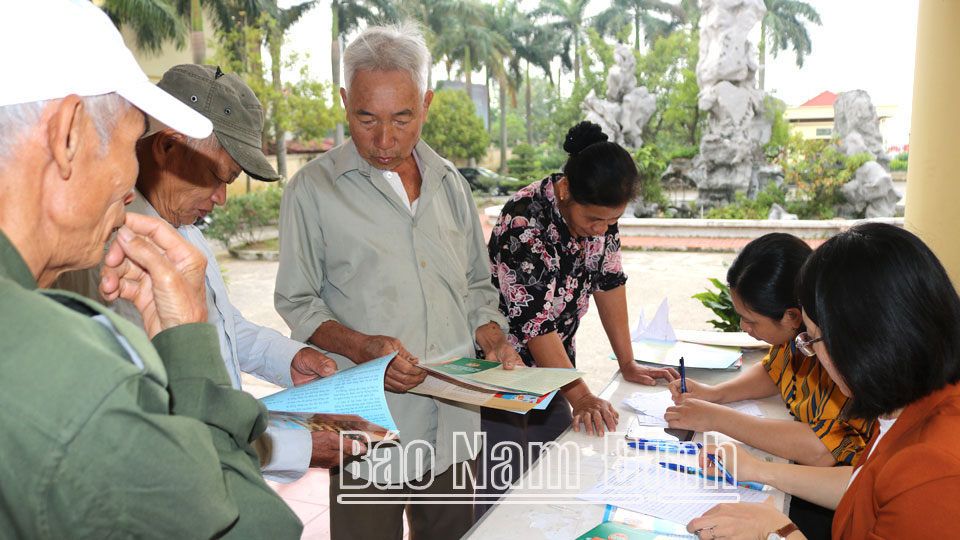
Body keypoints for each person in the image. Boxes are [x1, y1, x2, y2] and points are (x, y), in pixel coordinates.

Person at [0, 1, 303, 537]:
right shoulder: (73, 372)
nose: (132, 172)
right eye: (129, 138)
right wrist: (189, 349)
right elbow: (252, 526)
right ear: (68, 134)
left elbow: (231, 331)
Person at [274, 23, 521, 539]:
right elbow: (298, 303)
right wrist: (362, 347)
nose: (384, 140)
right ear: (344, 101)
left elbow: (478, 285)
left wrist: (491, 333)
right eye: (366, 118)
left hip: (454, 424)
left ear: (426, 104)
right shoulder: (312, 191)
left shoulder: (450, 183)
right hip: (370, 431)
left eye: (402, 118)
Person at [56, 64, 353, 479]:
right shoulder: (109, 251)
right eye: (217, 176)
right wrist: (299, 446)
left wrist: (289, 360)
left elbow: (221, 324)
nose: (222, 198)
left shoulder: (181, 228)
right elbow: (161, 414)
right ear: (168, 146)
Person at [686, 223, 960, 540]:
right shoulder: (904, 402)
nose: (812, 354)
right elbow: (865, 485)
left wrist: (777, 529)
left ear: (862, 344)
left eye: (813, 340)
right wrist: (759, 471)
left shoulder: (935, 468)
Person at [480, 122, 677, 510]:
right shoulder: (524, 222)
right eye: (594, 221)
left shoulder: (600, 214)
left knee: (559, 469)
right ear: (566, 190)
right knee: (502, 485)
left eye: (611, 221)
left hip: (556, 366)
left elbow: (609, 281)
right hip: (502, 369)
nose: (601, 230)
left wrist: (628, 362)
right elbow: (535, 325)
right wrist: (582, 395)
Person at [664, 233, 873, 539]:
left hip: (833, 499)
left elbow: (820, 450)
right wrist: (716, 394)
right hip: (833, 487)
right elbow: (774, 371)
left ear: (793, 317)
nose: (743, 328)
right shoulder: (797, 336)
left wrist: (716, 417)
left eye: (750, 320)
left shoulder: (837, 356)